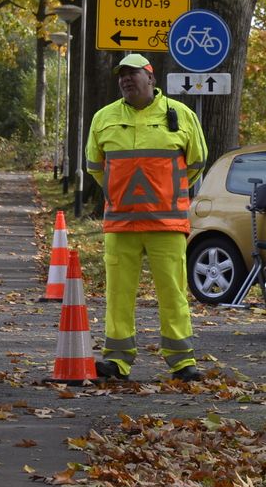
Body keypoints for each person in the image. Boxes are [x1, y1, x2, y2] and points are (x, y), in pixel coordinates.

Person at [86, 53, 208, 382]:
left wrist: (166, 193)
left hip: (166, 223)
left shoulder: (180, 115)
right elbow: (95, 166)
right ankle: (117, 360)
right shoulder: (104, 117)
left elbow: (198, 162)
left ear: (151, 78)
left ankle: (182, 362)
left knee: (173, 293)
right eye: (122, 75)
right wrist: (121, 192)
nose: (126, 79)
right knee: (118, 294)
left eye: (133, 74)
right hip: (121, 223)